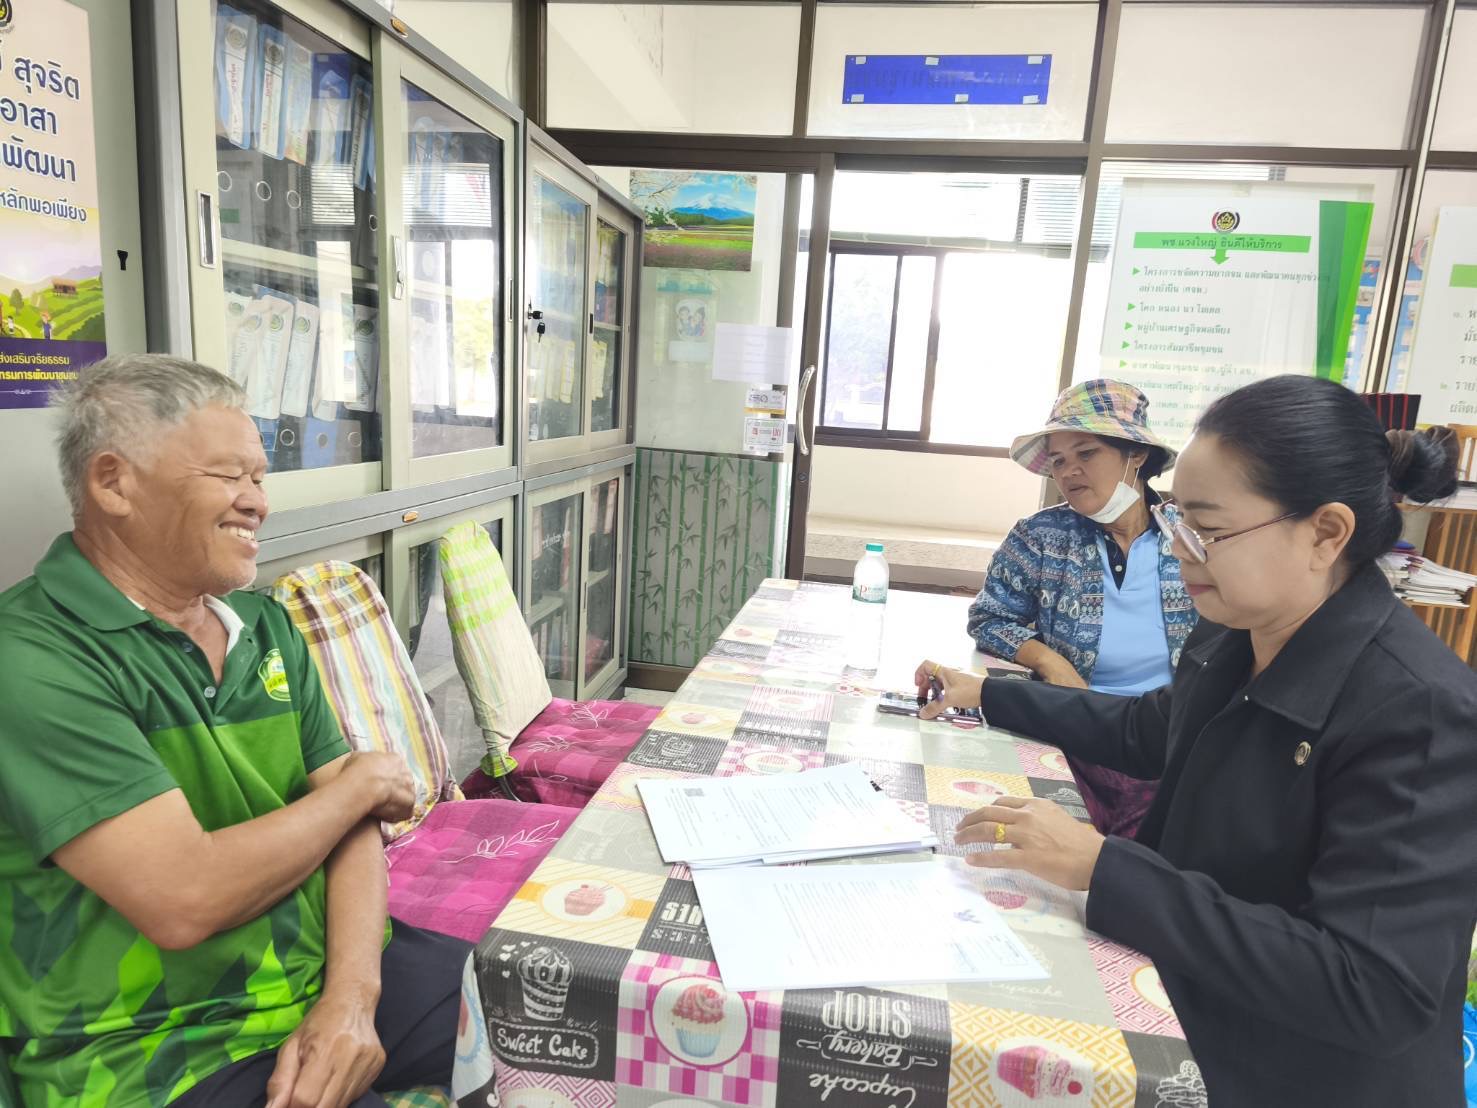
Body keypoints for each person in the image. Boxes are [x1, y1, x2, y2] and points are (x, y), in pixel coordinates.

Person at [921, 375, 1477, 1106]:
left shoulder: (1420, 711)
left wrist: (1104, 867)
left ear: (1325, 532)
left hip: (1302, 1076)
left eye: (1207, 530)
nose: (1179, 550)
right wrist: (991, 693)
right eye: (1176, 519)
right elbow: (1148, 729)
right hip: (1188, 1009)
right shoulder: (1237, 630)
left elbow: (1370, 989)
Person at [0, 354, 468, 1107]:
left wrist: (350, 997)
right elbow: (184, 898)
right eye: (229, 477)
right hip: (153, 1044)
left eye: (260, 478)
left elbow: (356, 827)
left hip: (317, 971)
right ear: (113, 483)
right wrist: (358, 789)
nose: (257, 503)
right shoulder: (33, 659)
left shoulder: (263, 625)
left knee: (551, 1015)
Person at [967, 380, 1195, 835]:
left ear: (1137, 455)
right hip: (1077, 734)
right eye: (1058, 460)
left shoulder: (1190, 538)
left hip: (1169, 744)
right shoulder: (1041, 537)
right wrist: (1047, 660)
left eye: (1086, 453)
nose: (1069, 472)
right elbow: (988, 617)